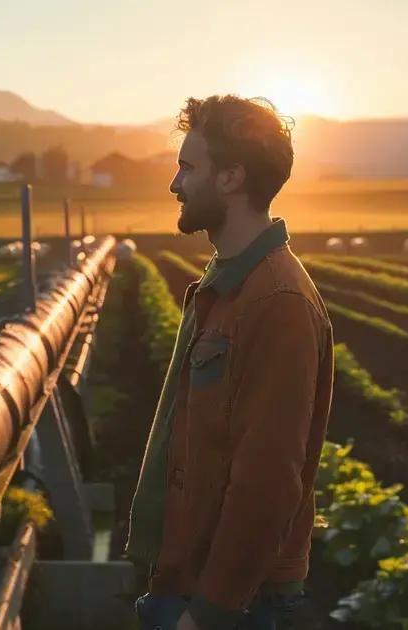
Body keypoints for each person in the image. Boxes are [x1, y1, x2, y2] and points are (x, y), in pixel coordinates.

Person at [126, 95, 334, 630]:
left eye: (188, 167)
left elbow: (267, 480)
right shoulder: (230, 287)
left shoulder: (275, 303)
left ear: (231, 178)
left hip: (230, 604)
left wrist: (210, 611)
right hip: (194, 585)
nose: (175, 184)